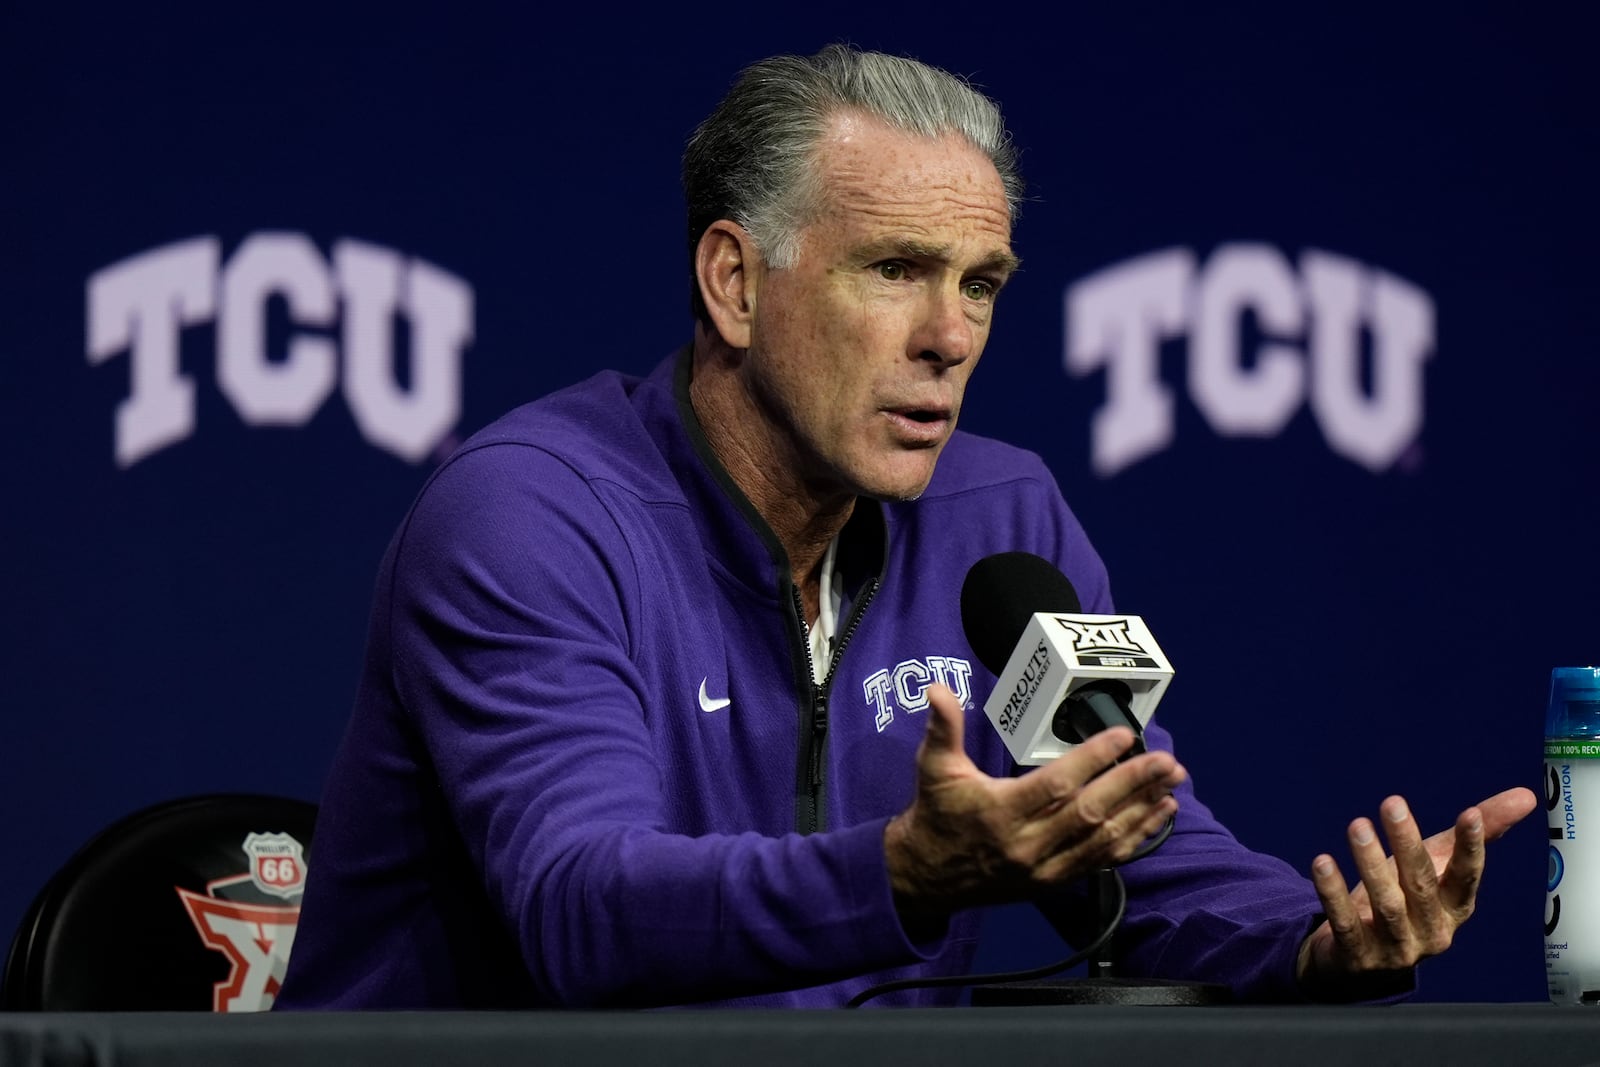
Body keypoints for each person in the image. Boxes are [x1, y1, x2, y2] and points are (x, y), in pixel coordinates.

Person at [277, 44, 1534, 1010]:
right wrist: (902, 870)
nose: (951, 336)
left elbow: (1138, 840)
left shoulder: (1000, 516)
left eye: (979, 283)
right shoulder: (534, 514)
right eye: (893, 271)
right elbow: (580, 905)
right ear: (735, 281)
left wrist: (1316, 942)